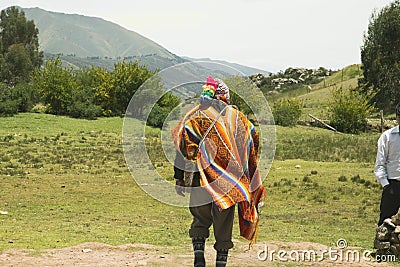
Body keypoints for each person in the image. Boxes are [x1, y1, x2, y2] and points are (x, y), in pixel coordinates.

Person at [172, 76, 265, 267]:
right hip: (229, 182)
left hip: (201, 179)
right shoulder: (239, 119)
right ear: (225, 96)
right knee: (224, 223)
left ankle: (199, 259)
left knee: (200, 218)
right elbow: (252, 142)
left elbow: (183, 146)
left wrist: (179, 177)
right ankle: (220, 263)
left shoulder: (197, 117)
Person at [375, 103, 400, 227]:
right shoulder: (387, 137)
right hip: (393, 185)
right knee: (386, 224)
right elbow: (380, 163)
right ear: (397, 118)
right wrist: (386, 184)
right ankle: (384, 246)